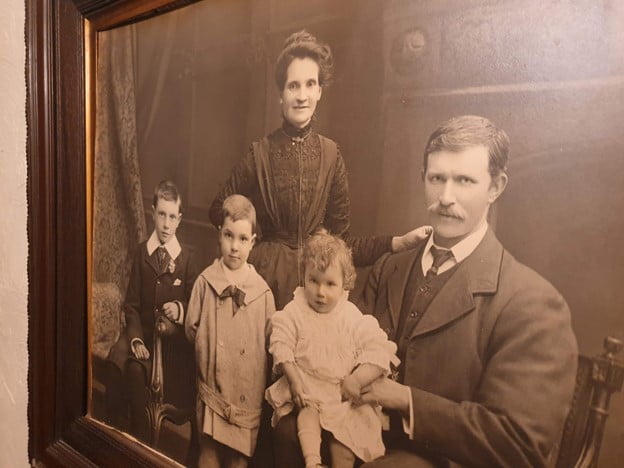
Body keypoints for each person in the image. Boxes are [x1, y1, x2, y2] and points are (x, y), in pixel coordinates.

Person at [348, 115, 578, 467]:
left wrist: (408, 401)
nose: (445, 197)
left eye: (464, 181)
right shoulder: (389, 269)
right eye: (436, 178)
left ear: (495, 187)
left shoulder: (532, 303)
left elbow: (516, 442)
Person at [208, 30, 427, 310]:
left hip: (315, 282)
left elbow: (344, 243)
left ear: (320, 92)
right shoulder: (259, 154)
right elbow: (218, 209)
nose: (302, 96)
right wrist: (254, 241)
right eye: (293, 86)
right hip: (262, 282)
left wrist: (396, 242)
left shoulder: (332, 155)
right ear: (281, 94)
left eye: (310, 84)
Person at [266, 232, 405, 468]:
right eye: (313, 280)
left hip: (340, 395)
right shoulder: (296, 310)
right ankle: (313, 463)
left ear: (344, 284)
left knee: (346, 438)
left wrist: (357, 379)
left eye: (330, 284)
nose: (321, 292)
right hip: (308, 389)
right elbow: (281, 341)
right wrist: (293, 378)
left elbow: (378, 346)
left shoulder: (349, 316)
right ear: (304, 277)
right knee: (306, 418)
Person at [186, 194, 276, 468]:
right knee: (209, 453)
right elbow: (191, 329)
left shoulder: (262, 294)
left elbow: (272, 342)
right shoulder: (205, 282)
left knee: (239, 459)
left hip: (246, 392)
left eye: (242, 239)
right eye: (228, 236)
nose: (234, 247)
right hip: (213, 388)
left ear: (253, 241)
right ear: (219, 235)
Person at [106, 179, 199, 443]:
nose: (166, 224)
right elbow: (131, 304)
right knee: (115, 362)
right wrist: (135, 338)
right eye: (161, 215)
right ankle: (114, 429)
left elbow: (195, 302)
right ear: (153, 212)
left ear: (179, 219)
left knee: (136, 371)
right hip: (141, 333)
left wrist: (179, 308)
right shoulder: (141, 252)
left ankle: (139, 442)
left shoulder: (187, 259)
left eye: (172, 217)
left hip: (168, 342)